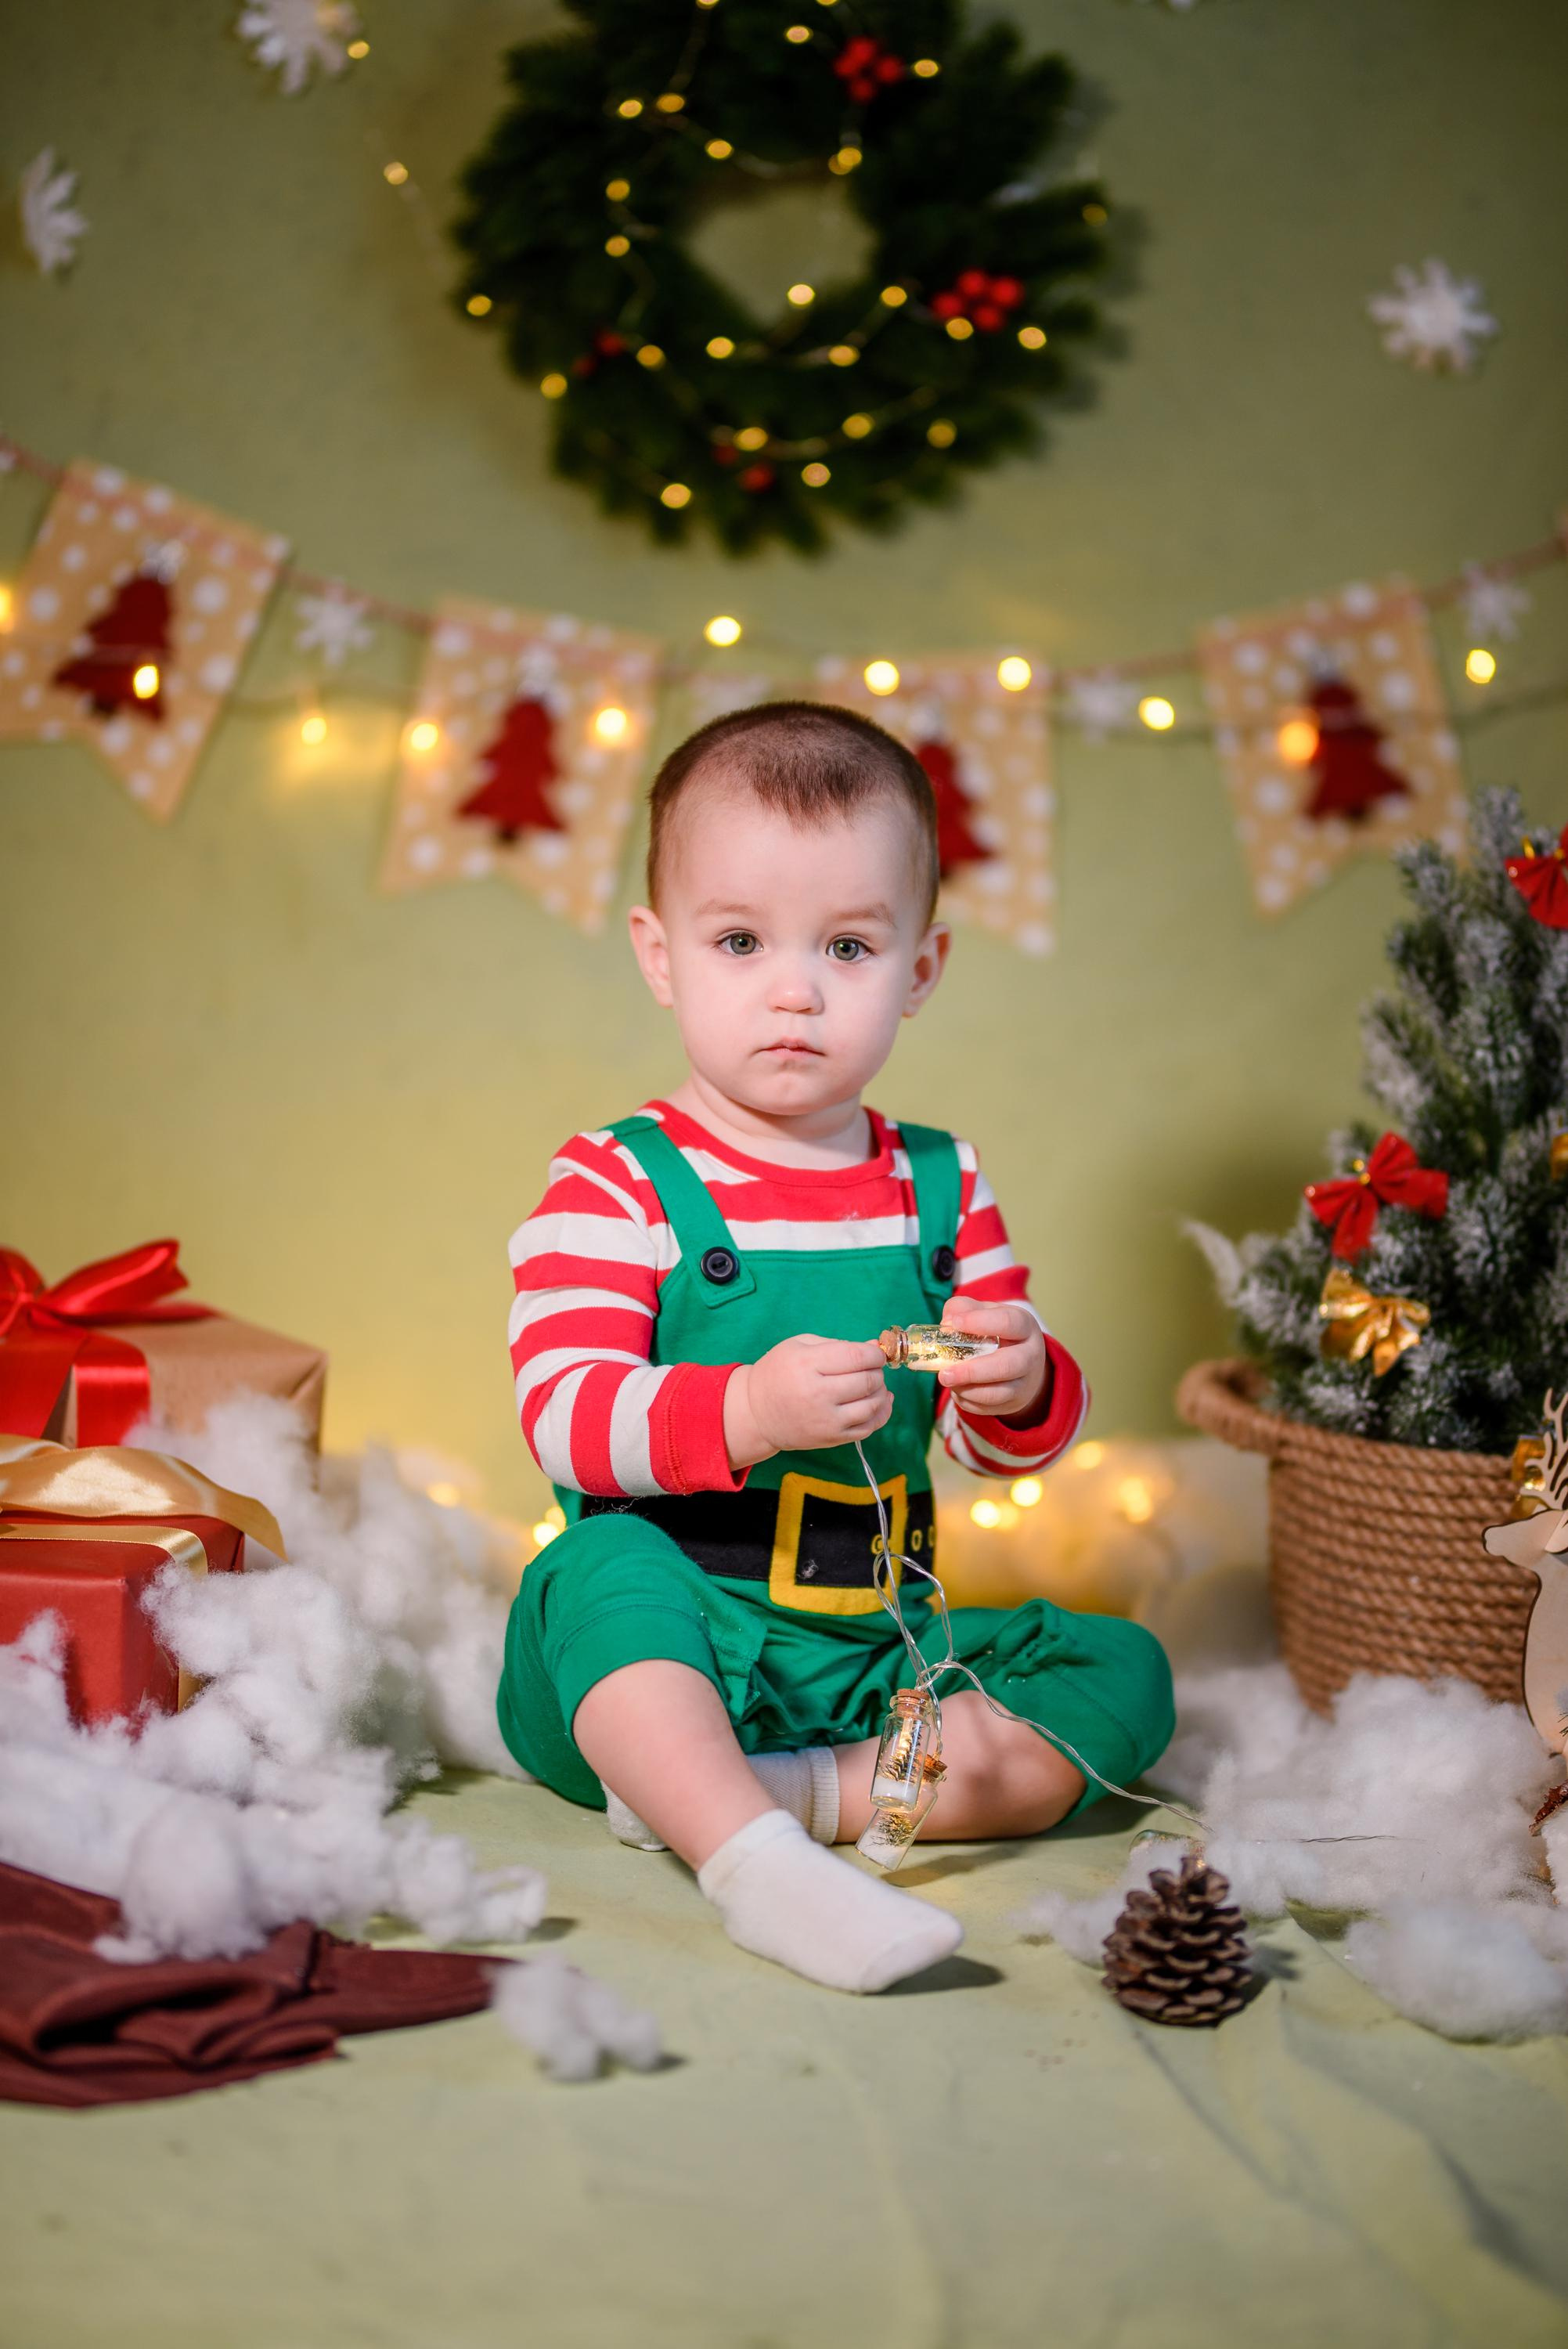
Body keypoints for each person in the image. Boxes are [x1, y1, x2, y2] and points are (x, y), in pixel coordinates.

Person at [497, 702, 1173, 1993]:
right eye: (741, 940)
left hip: (875, 1643)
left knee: (1122, 1673)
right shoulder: (617, 1182)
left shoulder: (939, 1180)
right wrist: (744, 1410)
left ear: (921, 969)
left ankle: (789, 1798)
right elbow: (565, 1413)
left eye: (849, 946)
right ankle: (753, 1866)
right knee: (595, 1574)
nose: (795, 991)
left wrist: (1020, 1378)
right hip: (665, 1634)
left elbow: (988, 1440)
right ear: (661, 953)